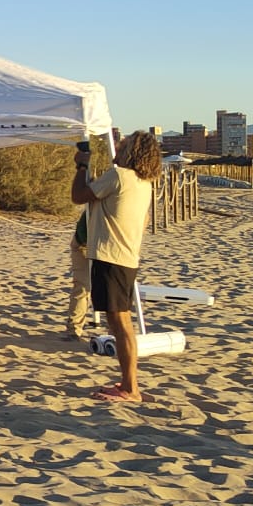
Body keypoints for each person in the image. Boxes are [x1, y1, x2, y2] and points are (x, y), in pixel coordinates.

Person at [73, 132, 162, 403]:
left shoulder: (120, 175)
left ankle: (130, 387)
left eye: (123, 144)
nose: (119, 146)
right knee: (120, 321)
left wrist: (82, 165)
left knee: (120, 322)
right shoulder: (143, 182)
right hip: (126, 256)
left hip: (111, 256)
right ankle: (128, 382)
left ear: (132, 150)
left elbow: (78, 196)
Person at [64, 209, 92, 340]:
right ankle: (74, 329)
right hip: (83, 244)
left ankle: (115, 333)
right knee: (82, 286)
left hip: (109, 246)